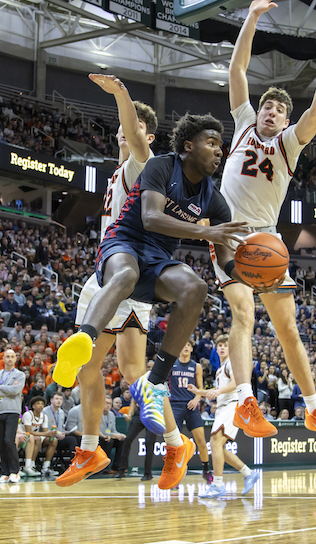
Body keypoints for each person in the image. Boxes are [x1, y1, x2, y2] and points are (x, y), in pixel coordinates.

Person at [54, 111, 250, 488]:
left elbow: (226, 259)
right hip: (124, 244)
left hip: (156, 262)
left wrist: (250, 274)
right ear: (188, 145)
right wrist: (205, 233)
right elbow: (151, 217)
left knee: (194, 288)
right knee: (122, 288)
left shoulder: (213, 197)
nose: (219, 151)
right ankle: (85, 338)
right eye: (212, 143)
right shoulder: (161, 165)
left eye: (221, 146)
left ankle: (156, 390)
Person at [210, 0, 316, 446]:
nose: (271, 112)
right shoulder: (240, 124)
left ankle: (315, 411)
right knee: (243, 315)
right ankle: (245, 401)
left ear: (284, 119)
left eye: (279, 109)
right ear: (257, 111)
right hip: (229, 235)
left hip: (269, 242)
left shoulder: (290, 143)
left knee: (288, 328)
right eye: (267, 107)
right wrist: (252, 17)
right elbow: (237, 70)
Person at [189, 335, 260, 498]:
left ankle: (218, 485)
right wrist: (198, 392)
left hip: (232, 405)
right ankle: (249, 473)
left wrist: (219, 391)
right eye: (219, 345)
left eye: (225, 345)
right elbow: (216, 391)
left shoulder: (232, 363)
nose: (221, 348)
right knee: (218, 447)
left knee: (215, 442)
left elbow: (236, 383)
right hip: (223, 408)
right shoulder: (221, 368)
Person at [169, 339, 213, 483]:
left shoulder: (197, 367)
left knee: (201, 440)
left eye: (188, 345)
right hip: (175, 405)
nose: (186, 347)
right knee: (175, 442)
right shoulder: (171, 363)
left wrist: (196, 399)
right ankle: (174, 473)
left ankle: (206, 470)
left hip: (192, 406)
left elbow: (200, 388)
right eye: (183, 344)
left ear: (192, 349)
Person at [0, 350, 26, 483]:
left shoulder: (19, 374)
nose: (10, 359)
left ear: (15, 359)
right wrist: (7, 388)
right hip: (0, 411)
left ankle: (15, 472)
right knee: (1, 443)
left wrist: (2, 388)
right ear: (3, 358)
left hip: (12, 411)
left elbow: (16, 391)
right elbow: (11, 390)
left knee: (9, 441)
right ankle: (4, 472)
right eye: (7, 356)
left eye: (12, 357)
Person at [116, 398, 157, 481]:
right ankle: (122, 470)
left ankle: (148, 473)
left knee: (149, 442)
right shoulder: (140, 386)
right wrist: (130, 414)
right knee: (127, 439)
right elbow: (134, 401)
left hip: (153, 414)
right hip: (139, 414)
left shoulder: (159, 386)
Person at [22, 395, 59, 477]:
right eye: (38, 404)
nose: (40, 406)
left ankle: (46, 467)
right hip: (24, 438)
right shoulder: (28, 414)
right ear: (33, 406)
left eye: (42, 404)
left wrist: (51, 434)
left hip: (35, 437)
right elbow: (28, 432)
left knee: (53, 440)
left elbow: (45, 432)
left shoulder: (44, 416)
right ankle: (31, 465)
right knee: (36, 438)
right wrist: (46, 433)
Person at [43, 392, 78, 457]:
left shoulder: (61, 412)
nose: (59, 401)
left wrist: (66, 432)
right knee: (72, 440)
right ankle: (74, 462)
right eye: (56, 399)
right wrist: (57, 434)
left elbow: (61, 428)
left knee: (75, 437)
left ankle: (75, 461)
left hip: (59, 437)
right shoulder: (45, 411)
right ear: (51, 400)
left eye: (60, 399)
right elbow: (43, 430)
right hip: (48, 438)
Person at [98, 396, 126, 473]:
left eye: (110, 404)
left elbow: (113, 430)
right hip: (98, 437)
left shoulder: (111, 414)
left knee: (122, 441)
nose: (108, 405)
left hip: (108, 436)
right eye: (106, 403)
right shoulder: (97, 413)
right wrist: (114, 435)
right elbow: (99, 431)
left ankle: (116, 466)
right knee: (109, 441)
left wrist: (120, 434)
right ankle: (105, 468)